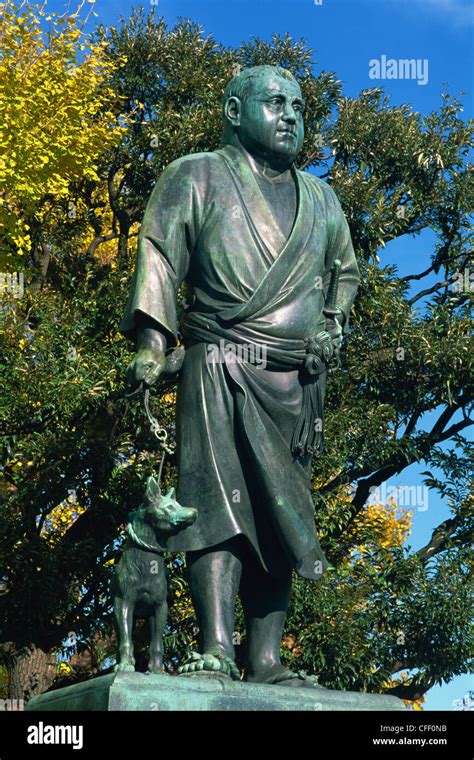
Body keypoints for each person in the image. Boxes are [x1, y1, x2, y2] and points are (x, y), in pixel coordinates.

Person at [119, 65, 360, 687]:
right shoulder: (195, 174)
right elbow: (160, 255)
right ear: (233, 109)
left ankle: (266, 656)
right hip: (218, 362)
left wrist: (333, 325)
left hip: (296, 378)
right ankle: (217, 646)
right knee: (214, 503)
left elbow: (345, 273)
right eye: (275, 103)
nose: (290, 115)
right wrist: (152, 344)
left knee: (283, 515)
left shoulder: (323, 198)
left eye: (300, 106)